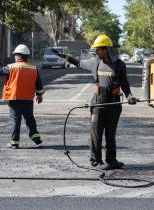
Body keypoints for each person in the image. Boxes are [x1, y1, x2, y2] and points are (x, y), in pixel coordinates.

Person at [53, 35, 138, 170]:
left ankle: (111, 160)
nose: (96, 52)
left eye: (98, 49)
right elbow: (79, 63)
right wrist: (65, 56)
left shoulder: (119, 64)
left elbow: (125, 84)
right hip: (98, 104)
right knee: (96, 133)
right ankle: (96, 161)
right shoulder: (95, 62)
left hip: (114, 104)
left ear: (106, 49)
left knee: (111, 134)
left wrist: (129, 96)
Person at [0, 44, 45, 149]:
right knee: (30, 119)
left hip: (15, 99)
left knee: (16, 120)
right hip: (28, 99)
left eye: (15, 55)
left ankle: (14, 142)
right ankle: (36, 138)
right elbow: (39, 84)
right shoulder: (34, 68)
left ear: (19, 56)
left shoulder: (12, 67)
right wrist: (40, 95)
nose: (14, 57)